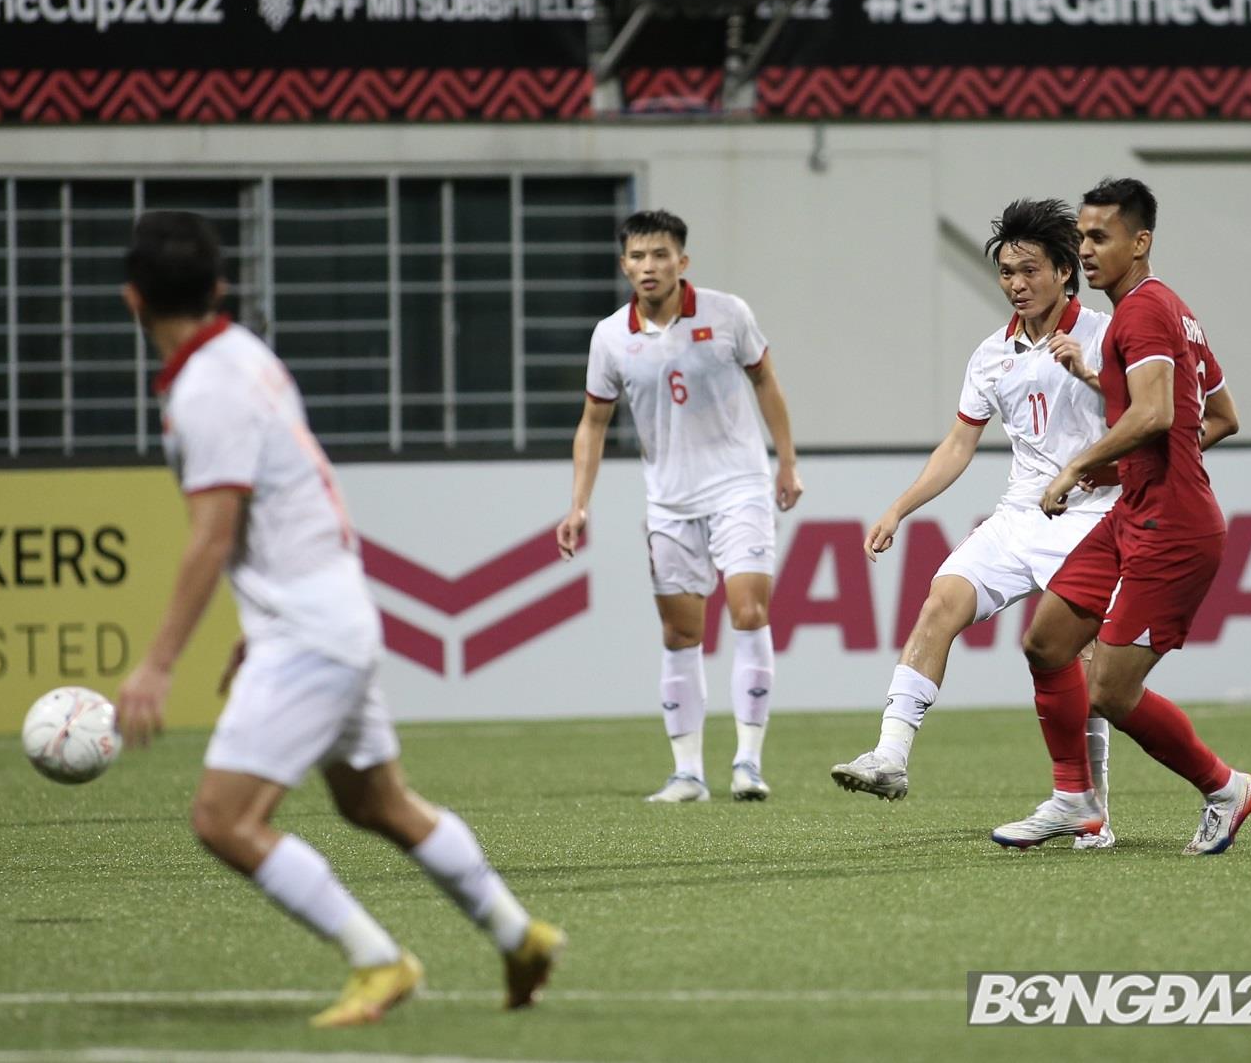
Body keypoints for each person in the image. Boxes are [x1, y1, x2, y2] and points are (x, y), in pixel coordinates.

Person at [114, 211, 563, 1027]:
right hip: (330, 606)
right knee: (377, 803)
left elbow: (212, 537)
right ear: (218, 287)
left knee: (223, 820)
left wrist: (158, 664)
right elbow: (298, 491)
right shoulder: (247, 358)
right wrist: (266, 620)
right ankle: (516, 932)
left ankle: (379, 960)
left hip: (310, 627)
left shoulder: (206, 388)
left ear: (130, 298)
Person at [831, 197, 1128, 847]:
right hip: (1021, 514)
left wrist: (1096, 374)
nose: (1016, 284)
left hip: (1092, 515)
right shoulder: (989, 355)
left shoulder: (1107, 334)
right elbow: (959, 444)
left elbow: (1148, 412)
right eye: (1006, 272)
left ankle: (1092, 811)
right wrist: (899, 508)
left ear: (1063, 271)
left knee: (1077, 660)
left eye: (1029, 270)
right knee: (941, 601)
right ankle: (890, 756)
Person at [1001, 177, 1251, 855]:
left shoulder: (1141, 314)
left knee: (1110, 692)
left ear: (1139, 241)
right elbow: (1221, 417)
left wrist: (1074, 465)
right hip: (1134, 513)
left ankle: (1224, 787)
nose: (1085, 250)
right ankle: (1074, 802)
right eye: (1082, 237)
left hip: (1172, 528)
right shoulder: (1169, 309)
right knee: (1047, 642)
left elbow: (1154, 413)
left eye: (1099, 237)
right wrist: (1107, 396)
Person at [556, 209, 803, 803]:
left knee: (748, 611)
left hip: (739, 486)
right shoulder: (610, 336)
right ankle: (688, 772)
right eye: (638, 257)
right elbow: (593, 421)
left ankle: (747, 761)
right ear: (624, 266)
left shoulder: (727, 314)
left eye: (660, 255)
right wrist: (578, 505)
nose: (649, 266)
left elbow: (766, 381)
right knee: (679, 632)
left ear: (682, 262)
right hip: (668, 503)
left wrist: (787, 461)